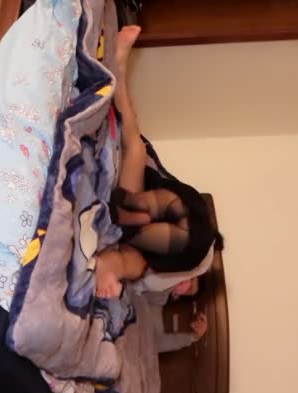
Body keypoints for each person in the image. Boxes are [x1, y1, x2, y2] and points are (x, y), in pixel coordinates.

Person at [94, 26, 221, 298]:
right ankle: (112, 259)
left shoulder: (203, 246)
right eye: (190, 288)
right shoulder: (184, 269)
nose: (184, 289)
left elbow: (138, 148)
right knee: (136, 260)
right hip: (182, 241)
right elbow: (147, 281)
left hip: (187, 215)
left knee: (135, 147)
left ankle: (120, 64)